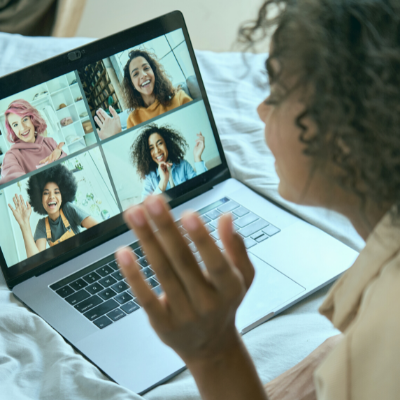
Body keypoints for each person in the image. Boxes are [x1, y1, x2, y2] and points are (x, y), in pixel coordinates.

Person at [113, 0, 400, 399]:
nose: (261, 108)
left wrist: (213, 349)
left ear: (346, 133)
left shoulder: (385, 339)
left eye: (278, 94)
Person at [94, 49, 193, 140]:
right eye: (136, 74)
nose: (143, 75)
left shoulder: (180, 98)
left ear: (154, 71)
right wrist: (117, 137)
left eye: (146, 68)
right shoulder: (133, 120)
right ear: (132, 84)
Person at [8, 164, 98, 259]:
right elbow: (36, 261)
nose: (51, 196)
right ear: (40, 199)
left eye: (56, 192)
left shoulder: (68, 209)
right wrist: (24, 224)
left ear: (62, 195)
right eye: (46, 193)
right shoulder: (42, 225)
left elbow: (98, 229)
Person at [131, 123, 207, 200]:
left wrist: (197, 157)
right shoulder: (149, 177)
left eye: (160, 143)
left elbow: (203, 185)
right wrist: (163, 182)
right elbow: (145, 208)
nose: (157, 150)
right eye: (151, 148)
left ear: (166, 143)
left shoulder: (183, 164)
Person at [1, 99, 67, 184]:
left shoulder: (49, 141)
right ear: (12, 130)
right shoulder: (11, 156)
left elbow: (67, 172)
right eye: (15, 125)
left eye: (25, 119)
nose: (22, 128)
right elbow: (15, 182)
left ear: (32, 118)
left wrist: (60, 156)